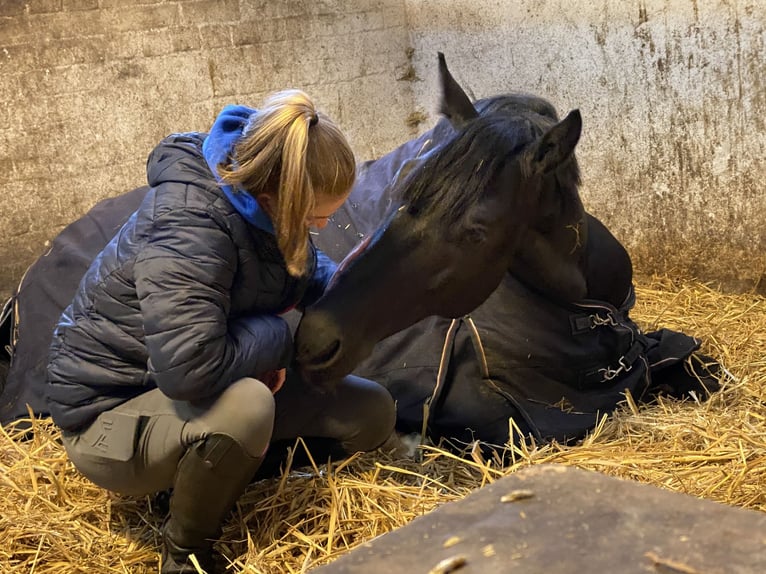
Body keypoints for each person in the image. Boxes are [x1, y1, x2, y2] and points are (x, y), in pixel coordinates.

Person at [45, 90, 398, 573]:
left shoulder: (259, 200)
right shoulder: (189, 229)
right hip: (111, 417)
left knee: (371, 413)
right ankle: (185, 553)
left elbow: (306, 271)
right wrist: (276, 340)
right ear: (277, 199)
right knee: (250, 405)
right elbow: (190, 372)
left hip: (202, 379)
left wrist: (363, 292)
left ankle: (217, 477)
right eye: (317, 216)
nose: (325, 224)